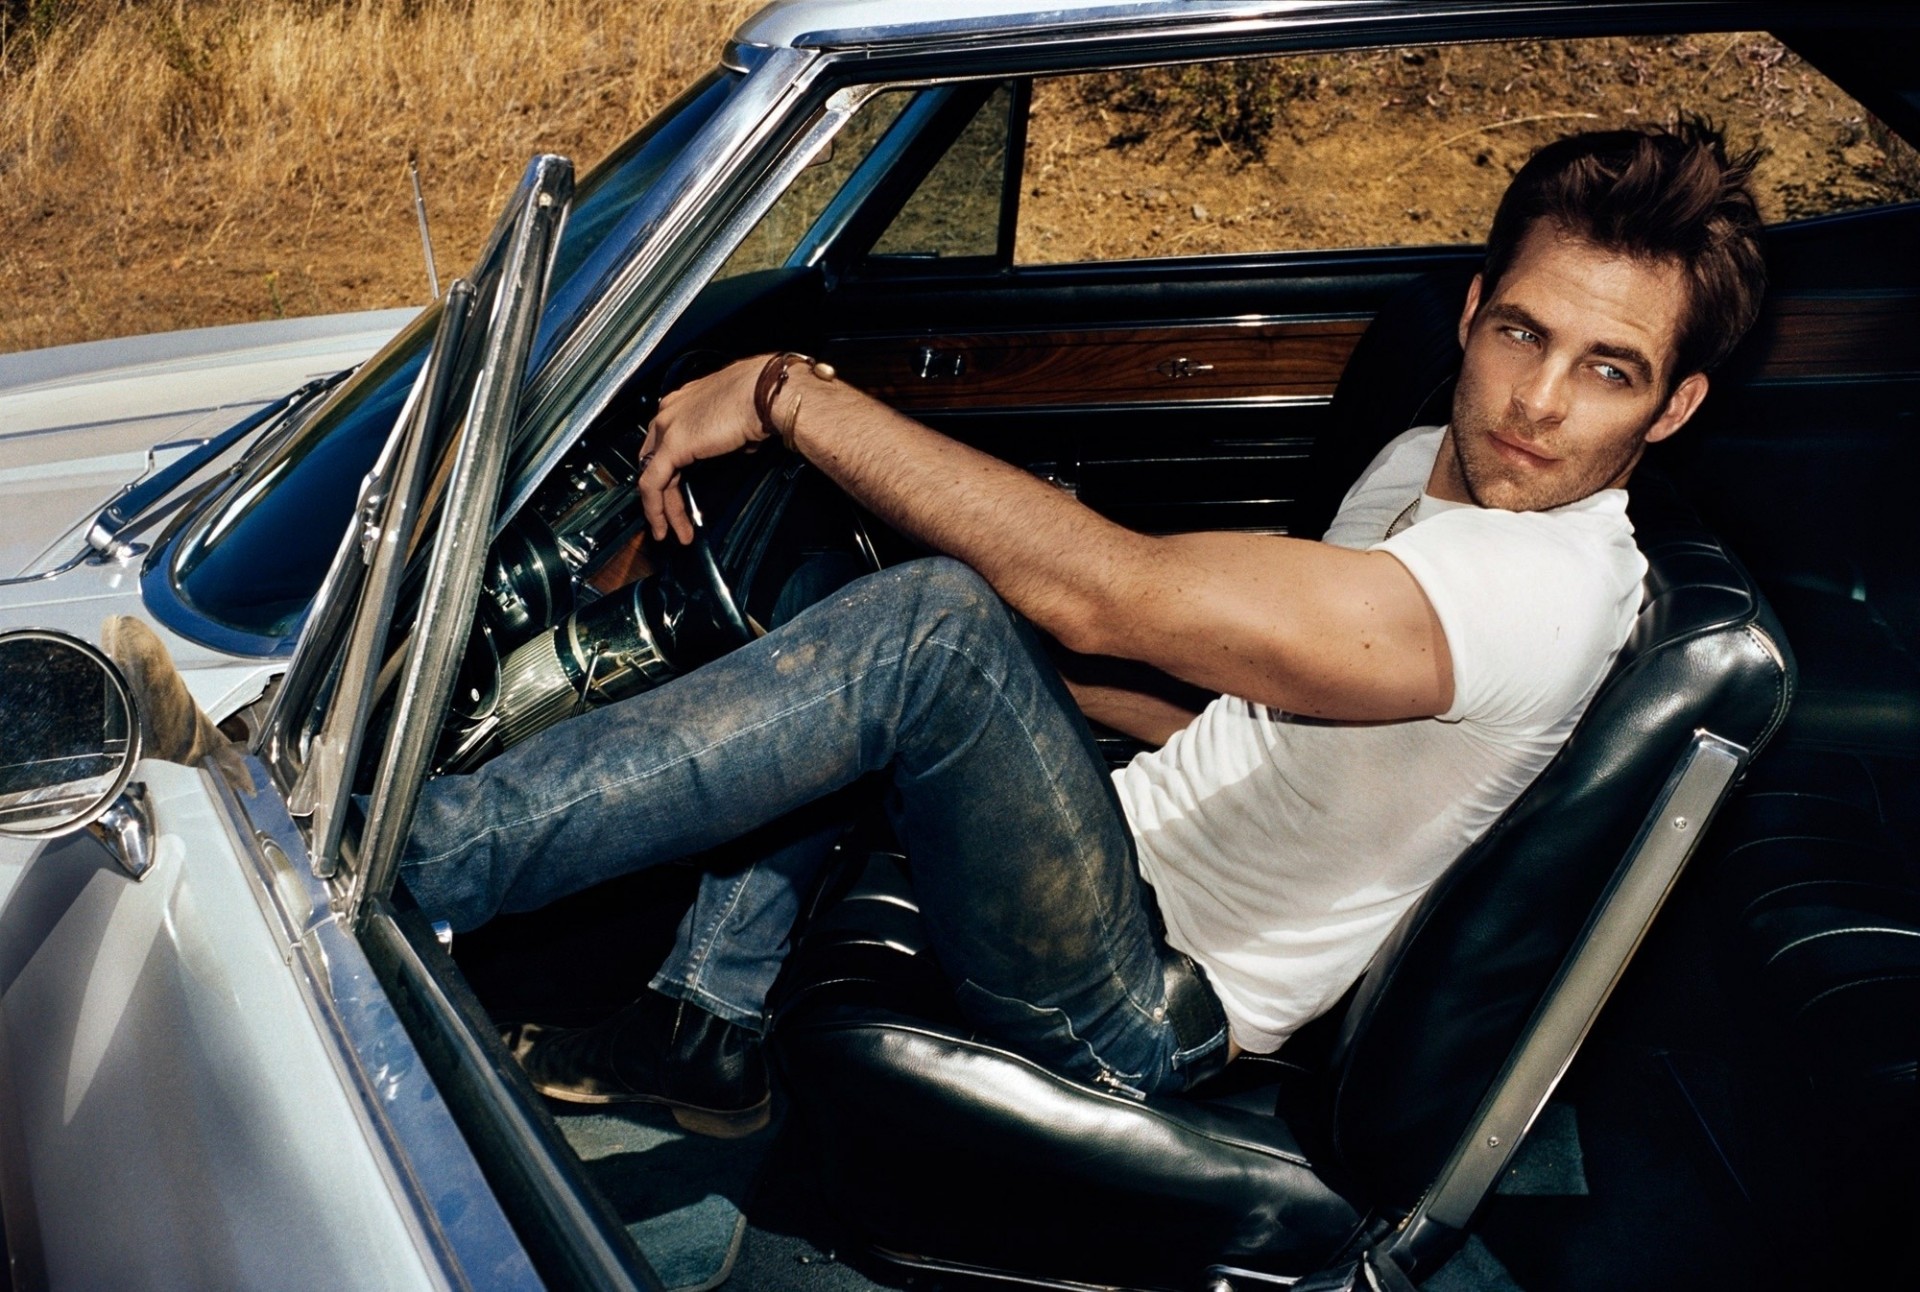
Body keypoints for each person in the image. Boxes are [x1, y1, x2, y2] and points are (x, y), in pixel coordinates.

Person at [401, 120, 1766, 1136]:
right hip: (1127, 856)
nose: (1539, 401)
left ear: (1676, 406)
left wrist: (785, 393)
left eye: (1610, 370)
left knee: (933, 630)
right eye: (1523, 333)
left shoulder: (1539, 589)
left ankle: (417, 863)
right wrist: (1039, 679)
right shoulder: (1422, 465)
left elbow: (1114, 595)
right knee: (859, 594)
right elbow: (1262, 732)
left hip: (1143, 1011)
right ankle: (703, 1025)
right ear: (1470, 314)